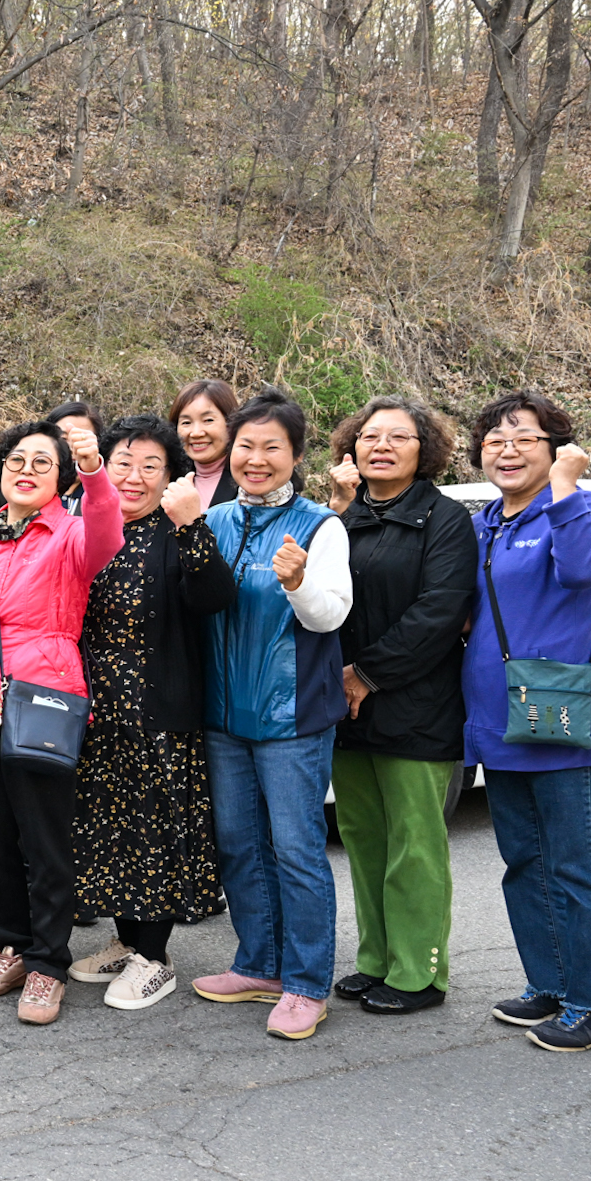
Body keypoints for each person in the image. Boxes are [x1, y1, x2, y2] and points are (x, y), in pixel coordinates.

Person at [464, 391, 591, 1051]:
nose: (506, 450)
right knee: (525, 862)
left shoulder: (577, 507)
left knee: (578, 864)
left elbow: (590, 569)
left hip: (558, 710)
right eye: (494, 440)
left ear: (554, 447)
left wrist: (565, 486)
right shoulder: (486, 522)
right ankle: (553, 983)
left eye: (523, 439)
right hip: (497, 717)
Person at [0, 419, 122, 1026]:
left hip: (43, 699)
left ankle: (48, 964)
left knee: (45, 841)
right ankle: (13, 946)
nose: (26, 470)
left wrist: (95, 473)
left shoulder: (71, 534)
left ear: (61, 480)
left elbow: (107, 533)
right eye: (17, 459)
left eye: (43, 463)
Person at [191, 389, 353, 1041]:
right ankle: (259, 963)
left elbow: (330, 614)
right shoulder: (215, 520)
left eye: (271, 449)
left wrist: (298, 580)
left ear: (296, 456)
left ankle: (308, 982)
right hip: (225, 718)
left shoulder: (321, 526)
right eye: (246, 447)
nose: (256, 460)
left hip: (292, 721)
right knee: (238, 846)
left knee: (296, 851)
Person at [63, 416, 233, 1012]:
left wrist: (190, 527)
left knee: (152, 831)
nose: (133, 478)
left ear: (171, 477)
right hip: (92, 708)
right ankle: (126, 939)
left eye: (150, 467)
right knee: (106, 827)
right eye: (122, 464)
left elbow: (215, 597)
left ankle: (154, 957)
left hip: (158, 711)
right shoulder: (87, 527)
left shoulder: (176, 531)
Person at [322, 397, 477, 1016]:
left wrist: (366, 673)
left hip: (416, 707)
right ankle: (376, 959)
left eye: (398, 436)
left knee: (415, 842)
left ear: (425, 450)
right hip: (344, 706)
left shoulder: (445, 520)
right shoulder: (340, 518)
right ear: (351, 448)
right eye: (369, 435)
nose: (380, 445)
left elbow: (439, 613)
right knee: (363, 838)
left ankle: (419, 974)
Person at [172, 379, 241, 508]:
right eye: (186, 422)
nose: (196, 433)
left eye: (208, 420)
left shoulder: (248, 482)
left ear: (230, 424)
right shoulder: (168, 477)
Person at [44, 401, 108, 514]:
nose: (72, 447)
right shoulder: (29, 491)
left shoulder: (104, 498)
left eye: (81, 439)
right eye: (63, 439)